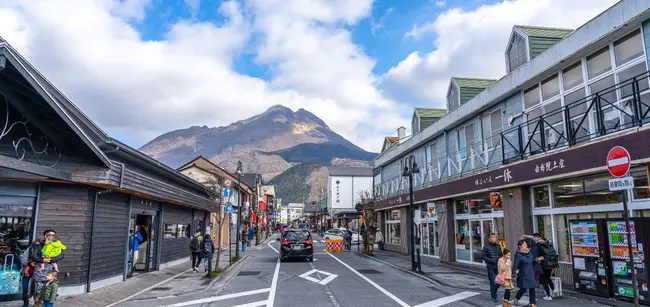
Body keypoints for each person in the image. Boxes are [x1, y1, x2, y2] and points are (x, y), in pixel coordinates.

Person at [30, 230, 64, 307]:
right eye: (50, 234)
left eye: (54, 235)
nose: (52, 236)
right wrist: (42, 260)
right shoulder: (39, 245)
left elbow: (61, 255)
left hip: (50, 272)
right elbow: (33, 256)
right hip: (39, 272)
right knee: (38, 291)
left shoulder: (57, 244)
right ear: (45, 236)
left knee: (49, 290)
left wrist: (52, 259)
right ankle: (37, 304)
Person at [514, 240, 543, 307]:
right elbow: (515, 265)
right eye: (524, 244)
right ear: (520, 246)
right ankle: (517, 298)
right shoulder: (518, 255)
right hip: (523, 274)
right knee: (523, 289)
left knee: (532, 288)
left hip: (531, 273)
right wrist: (513, 274)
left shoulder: (530, 253)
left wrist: (537, 260)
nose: (526, 245)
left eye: (525, 243)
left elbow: (532, 263)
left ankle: (532, 303)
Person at [534, 234, 558, 300]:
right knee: (548, 278)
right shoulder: (547, 244)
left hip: (543, 265)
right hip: (550, 264)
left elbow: (537, 255)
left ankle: (548, 296)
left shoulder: (538, 246)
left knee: (544, 280)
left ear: (537, 238)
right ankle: (553, 289)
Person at [482, 233, 503, 303]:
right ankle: (494, 296)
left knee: (500, 281)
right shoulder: (486, 246)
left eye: (495, 237)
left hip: (498, 266)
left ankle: (493, 291)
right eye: (493, 237)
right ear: (489, 239)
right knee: (492, 282)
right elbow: (483, 256)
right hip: (490, 266)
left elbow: (501, 254)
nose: (495, 238)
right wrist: (492, 261)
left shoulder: (498, 246)